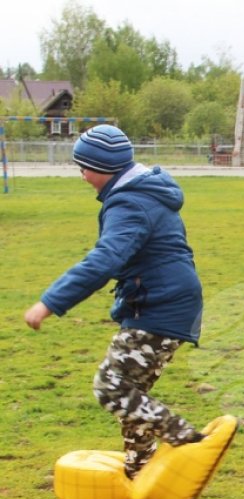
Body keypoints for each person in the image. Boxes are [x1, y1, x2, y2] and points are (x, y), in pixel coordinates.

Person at [24, 124, 207, 479]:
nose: (82, 176)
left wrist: (48, 302)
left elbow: (104, 260)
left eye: (84, 168)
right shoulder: (145, 192)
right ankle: (142, 469)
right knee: (132, 395)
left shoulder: (129, 203)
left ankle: (185, 439)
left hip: (161, 305)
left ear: (102, 167)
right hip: (167, 301)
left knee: (112, 387)